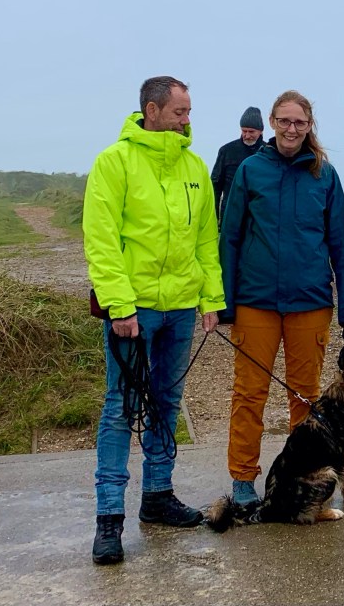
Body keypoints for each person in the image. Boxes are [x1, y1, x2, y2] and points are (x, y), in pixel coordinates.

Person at [82, 75, 225, 566]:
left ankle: (158, 496)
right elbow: (101, 240)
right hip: (134, 311)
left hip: (183, 308)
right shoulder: (113, 162)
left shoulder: (194, 167)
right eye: (180, 112)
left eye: (189, 112)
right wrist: (120, 307)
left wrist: (212, 299)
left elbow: (207, 239)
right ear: (152, 109)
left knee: (168, 401)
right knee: (120, 407)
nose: (188, 121)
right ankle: (108, 520)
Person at [218, 89, 344, 507]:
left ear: (309, 125)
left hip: (311, 303)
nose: (291, 129)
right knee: (249, 392)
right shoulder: (250, 170)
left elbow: (342, 245)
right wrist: (223, 302)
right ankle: (243, 480)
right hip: (256, 302)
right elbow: (229, 238)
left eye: (299, 122)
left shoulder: (325, 175)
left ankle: (306, 479)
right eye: (284, 121)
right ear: (272, 123)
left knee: (305, 396)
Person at [210, 107, 265, 221]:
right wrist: (213, 219)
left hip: (259, 218)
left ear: (260, 131)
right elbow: (215, 187)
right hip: (230, 216)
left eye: (251, 131)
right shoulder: (226, 151)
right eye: (244, 131)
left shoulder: (269, 153)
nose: (247, 135)